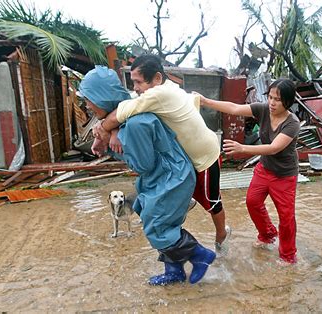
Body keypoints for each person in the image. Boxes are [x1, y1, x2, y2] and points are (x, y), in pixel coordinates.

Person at [80, 65, 216, 285]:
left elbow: (142, 165)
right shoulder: (129, 118)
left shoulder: (135, 125)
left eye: (88, 99)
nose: (86, 105)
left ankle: (200, 255)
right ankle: (174, 271)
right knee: (155, 217)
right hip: (165, 175)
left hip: (172, 178)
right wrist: (110, 133)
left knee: (158, 225)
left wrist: (112, 147)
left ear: (101, 98)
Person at [92, 54, 231, 257]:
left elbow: (122, 112)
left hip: (204, 157)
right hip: (185, 156)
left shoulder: (159, 94)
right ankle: (186, 204)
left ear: (157, 78)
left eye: (138, 82)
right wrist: (112, 132)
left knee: (212, 201)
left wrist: (102, 131)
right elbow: (128, 107)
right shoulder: (165, 90)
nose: (136, 88)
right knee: (181, 188)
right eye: (133, 82)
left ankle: (221, 235)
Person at [197, 78, 301, 265]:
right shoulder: (263, 109)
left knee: (286, 217)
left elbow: (274, 148)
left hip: (284, 175)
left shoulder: (292, 123)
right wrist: (206, 101)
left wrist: (242, 148)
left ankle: (288, 255)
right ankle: (267, 235)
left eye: (277, 99)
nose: (272, 102)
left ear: (288, 101)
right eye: (270, 97)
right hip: (265, 169)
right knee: (252, 202)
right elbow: (234, 108)